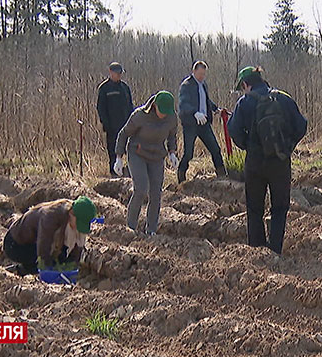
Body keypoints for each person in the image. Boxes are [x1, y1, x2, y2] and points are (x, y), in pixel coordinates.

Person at [228, 66, 307, 255]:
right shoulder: (283, 98)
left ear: (246, 84)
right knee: (279, 208)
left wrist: (248, 145)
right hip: (280, 161)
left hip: (255, 163)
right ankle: (275, 251)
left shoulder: (244, 103)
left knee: (254, 208)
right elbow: (301, 125)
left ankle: (258, 252)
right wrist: (287, 146)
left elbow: (233, 130)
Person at [114, 91, 179, 236]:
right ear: (154, 105)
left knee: (156, 193)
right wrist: (119, 157)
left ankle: (151, 230)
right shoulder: (140, 116)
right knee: (141, 188)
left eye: (166, 112)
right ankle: (130, 227)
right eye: (161, 111)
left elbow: (172, 135)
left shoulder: (172, 117)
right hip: (137, 153)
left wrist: (172, 152)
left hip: (157, 156)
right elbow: (124, 133)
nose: (164, 115)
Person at [4, 196, 97, 275]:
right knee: (49, 261)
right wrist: (48, 272)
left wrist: (71, 267)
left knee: (61, 258)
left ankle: (26, 268)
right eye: (79, 223)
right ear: (72, 214)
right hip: (15, 244)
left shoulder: (71, 213)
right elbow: (43, 246)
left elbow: (77, 246)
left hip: (34, 242)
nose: (78, 228)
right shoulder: (51, 216)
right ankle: (21, 270)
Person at [177, 61, 226, 183]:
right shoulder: (186, 85)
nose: (202, 77)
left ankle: (222, 176)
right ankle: (181, 177)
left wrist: (216, 109)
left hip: (204, 123)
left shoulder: (203, 85)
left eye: (204, 74)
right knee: (188, 154)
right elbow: (183, 104)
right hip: (191, 125)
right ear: (194, 72)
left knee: (215, 148)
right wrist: (194, 112)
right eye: (200, 74)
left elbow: (206, 101)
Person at [97, 62, 134, 177]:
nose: (119, 75)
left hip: (126, 126)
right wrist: (106, 124)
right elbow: (101, 108)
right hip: (112, 127)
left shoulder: (125, 87)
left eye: (120, 73)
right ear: (111, 72)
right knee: (113, 152)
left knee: (129, 151)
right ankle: (114, 175)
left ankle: (129, 174)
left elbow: (130, 106)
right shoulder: (104, 88)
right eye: (117, 73)